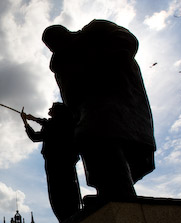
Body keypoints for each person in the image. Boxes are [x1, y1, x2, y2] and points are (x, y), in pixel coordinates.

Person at [41, 19, 156, 199]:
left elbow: (127, 41)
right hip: (87, 109)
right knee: (89, 139)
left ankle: (119, 194)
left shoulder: (95, 29)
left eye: (55, 41)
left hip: (117, 98)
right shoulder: (61, 63)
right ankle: (110, 192)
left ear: (65, 33)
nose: (54, 47)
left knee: (98, 136)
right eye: (50, 46)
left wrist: (95, 66)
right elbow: (69, 95)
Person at [21, 103, 81, 223]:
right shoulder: (51, 124)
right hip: (54, 160)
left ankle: (70, 215)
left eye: (52, 108)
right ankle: (65, 218)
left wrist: (32, 119)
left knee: (63, 189)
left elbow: (47, 126)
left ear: (58, 112)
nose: (49, 109)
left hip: (61, 159)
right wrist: (27, 123)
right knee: (57, 190)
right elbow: (35, 137)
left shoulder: (62, 123)